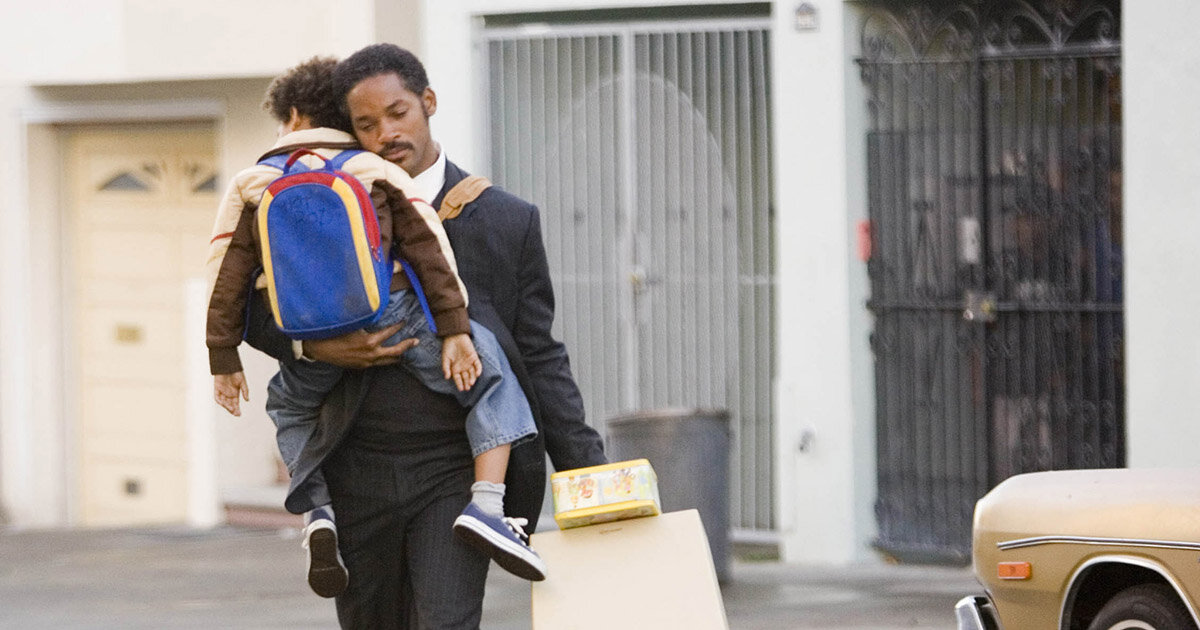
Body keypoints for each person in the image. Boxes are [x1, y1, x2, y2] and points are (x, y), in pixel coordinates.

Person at [242, 44, 608, 628]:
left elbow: (538, 354)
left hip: (454, 472)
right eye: (368, 124)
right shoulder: (319, 207)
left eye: (399, 113)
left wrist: (589, 472)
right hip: (354, 467)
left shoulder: (503, 218)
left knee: (446, 621)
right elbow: (254, 311)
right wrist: (316, 348)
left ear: (428, 103)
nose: (386, 134)